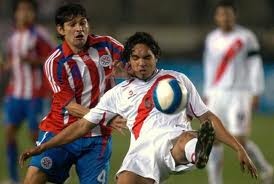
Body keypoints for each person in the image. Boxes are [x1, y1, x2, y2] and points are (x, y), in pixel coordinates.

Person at [20, 32, 258, 184]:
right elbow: (82, 126)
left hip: (174, 140)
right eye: (136, 58)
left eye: (147, 57)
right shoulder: (117, 93)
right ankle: (196, 150)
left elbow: (207, 116)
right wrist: (44, 147)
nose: (142, 63)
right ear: (129, 62)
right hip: (141, 152)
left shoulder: (177, 79)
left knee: (187, 137)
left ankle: (197, 151)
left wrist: (238, 148)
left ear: (157, 58)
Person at [19, 2, 126, 184]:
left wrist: (126, 67)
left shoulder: (106, 45)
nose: (79, 29)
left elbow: (133, 59)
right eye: (72, 24)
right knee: (33, 178)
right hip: (61, 131)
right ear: (61, 30)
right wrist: (106, 117)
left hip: (97, 136)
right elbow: (71, 106)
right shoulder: (55, 62)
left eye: (82, 23)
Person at [202, 1, 273, 184]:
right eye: (221, 14)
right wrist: (207, 92)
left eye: (228, 14)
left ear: (234, 16)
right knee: (214, 138)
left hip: (239, 94)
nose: (225, 18)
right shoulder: (212, 39)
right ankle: (215, 181)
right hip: (217, 93)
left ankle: (266, 169)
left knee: (239, 139)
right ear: (216, 17)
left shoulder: (246, 37)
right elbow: (209, 67)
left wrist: (256, 91)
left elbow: (255, 65)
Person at [2, 0, 53, 183]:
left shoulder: (40, 35)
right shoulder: (12, 36)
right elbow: (11, 61)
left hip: (35, 94)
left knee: (36, 137)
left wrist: (34, 61)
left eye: (28, 10)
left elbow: (52, 59)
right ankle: (14, 178)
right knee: (9, 132)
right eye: (20, 10)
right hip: (14, 93)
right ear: (15, 13)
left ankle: (48, 171)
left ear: (34, 14)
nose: (24, 13)